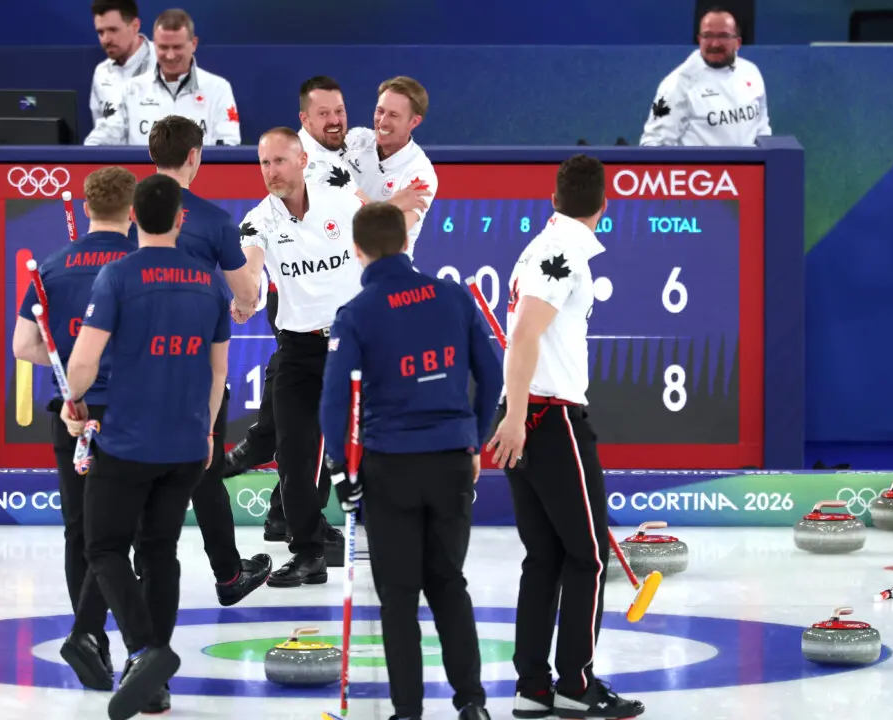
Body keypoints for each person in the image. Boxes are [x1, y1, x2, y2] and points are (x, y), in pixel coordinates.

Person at [319, 202, 503, 720]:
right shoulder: (454, 297)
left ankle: (408, 712)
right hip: (449, 461)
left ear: (357, 251)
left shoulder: (356, 313)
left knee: (398, 597)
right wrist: (473, 438)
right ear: (405, 242)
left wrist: (340, 471)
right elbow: (492, 377)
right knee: (449, 585)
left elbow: (334, 402)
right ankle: (471, 704)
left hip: (391, 469)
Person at [61, 173, 229, 720]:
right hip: (184, 444)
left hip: (129, 442)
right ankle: (154, 687)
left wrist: (73, 401)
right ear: (182, 219)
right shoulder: (210, 280)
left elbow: (83, 361)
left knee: (104, 548)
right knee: (160, 554)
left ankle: (145, 651)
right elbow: (217, 368)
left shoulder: (117, 276)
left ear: (134, 217)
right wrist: (205, 431)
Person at [486, 155, 644, 719]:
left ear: (554, 199)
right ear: (605, 205)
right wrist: (518, 415)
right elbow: (525, 332)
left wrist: (512, 412)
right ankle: (575, 683)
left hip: (530, 414)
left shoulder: (543, 246)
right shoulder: (564, 252)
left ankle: (533, 685)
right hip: (549, 418)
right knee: (590, 557)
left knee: (546, 556)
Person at [237, 127, 385, 586]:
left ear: (302, 161)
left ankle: (395, 545)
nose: (271, 172)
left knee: (376, 451)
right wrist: (245, 297)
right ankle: (308, 554)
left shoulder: (338, 195)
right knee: (295, 453)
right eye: (264, 163)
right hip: (299, 351)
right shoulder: (258, 220)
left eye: (280, 161)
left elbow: (381, 237)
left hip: (354, 342)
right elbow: (252, 269)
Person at [12, 166, 138, 690]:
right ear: (132, 213)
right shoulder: (140, 267)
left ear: (87, 208)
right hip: (129, 416)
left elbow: (23, 346)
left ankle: (93, 640)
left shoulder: (54, 268)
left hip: (73, 412)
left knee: (81, 531)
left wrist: (66, 359)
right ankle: (131, 644)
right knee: (126, 536)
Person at [142, 114, 270, 616]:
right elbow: (246, 292)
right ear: (195, 155)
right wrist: (243, 301)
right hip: (196, 361)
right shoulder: (214, 220)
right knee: (205, 467)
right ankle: (229, 576)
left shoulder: (131, 210)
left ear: (152, 155)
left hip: (134, 363)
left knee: (136, 467)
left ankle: (133, 569)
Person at [85, 8, 240, 147]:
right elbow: (105, 136)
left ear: (193, 44)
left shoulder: (218, 88)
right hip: (143, 178)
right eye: (163, 47)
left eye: (177, 47)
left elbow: (228, 143)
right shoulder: (132, 89)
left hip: (199, 177)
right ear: (155, 44)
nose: (170, 55)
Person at [640, 7, 770, 147]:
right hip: (702, 169)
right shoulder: (675, 84)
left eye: (723, 36)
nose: (715, 44)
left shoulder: (751, 71)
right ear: (699, 39)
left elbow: (762, 129)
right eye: (707, 36)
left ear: (737, 43)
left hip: (752, 168)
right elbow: (653, 144)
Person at [349, 76, 439, 259]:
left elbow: (384, 237)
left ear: (414, 122)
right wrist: (393, 205)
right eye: (380, 111)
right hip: (338, 268)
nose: (382, 122)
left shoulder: (420, 175)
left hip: (385, 275)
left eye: (393, 115)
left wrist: (351, 201)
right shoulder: (355, 140)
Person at [88, 0, 153, 129]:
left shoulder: (166, 63)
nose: (106, 39)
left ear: (135, 26)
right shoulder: (101, 73)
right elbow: (101, 130)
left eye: (113, 30)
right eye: (101, 32)